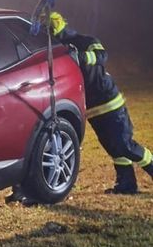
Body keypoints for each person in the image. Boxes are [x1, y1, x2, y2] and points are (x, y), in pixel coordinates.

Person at [50, 11, 153, 194]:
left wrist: (80, 57)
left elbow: (101, 56)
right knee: (113, 148)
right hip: (91, 108)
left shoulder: (86, 41)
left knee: (124, 145)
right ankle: (127, 185)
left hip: (109, 102)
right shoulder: (56, 49)